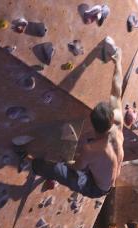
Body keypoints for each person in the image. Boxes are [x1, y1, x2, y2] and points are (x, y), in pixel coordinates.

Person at [31, 47, 124, 198]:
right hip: (107, 177)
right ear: (111, 119)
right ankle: (86, 164)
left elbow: (75, 168)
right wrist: (118, 62)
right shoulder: (118, 126)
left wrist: (65, 157)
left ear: (94, 127)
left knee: (55, 168)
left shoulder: (91, 149)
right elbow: (117, 90)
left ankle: (36, 167)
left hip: (95, 188)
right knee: (84, 156)